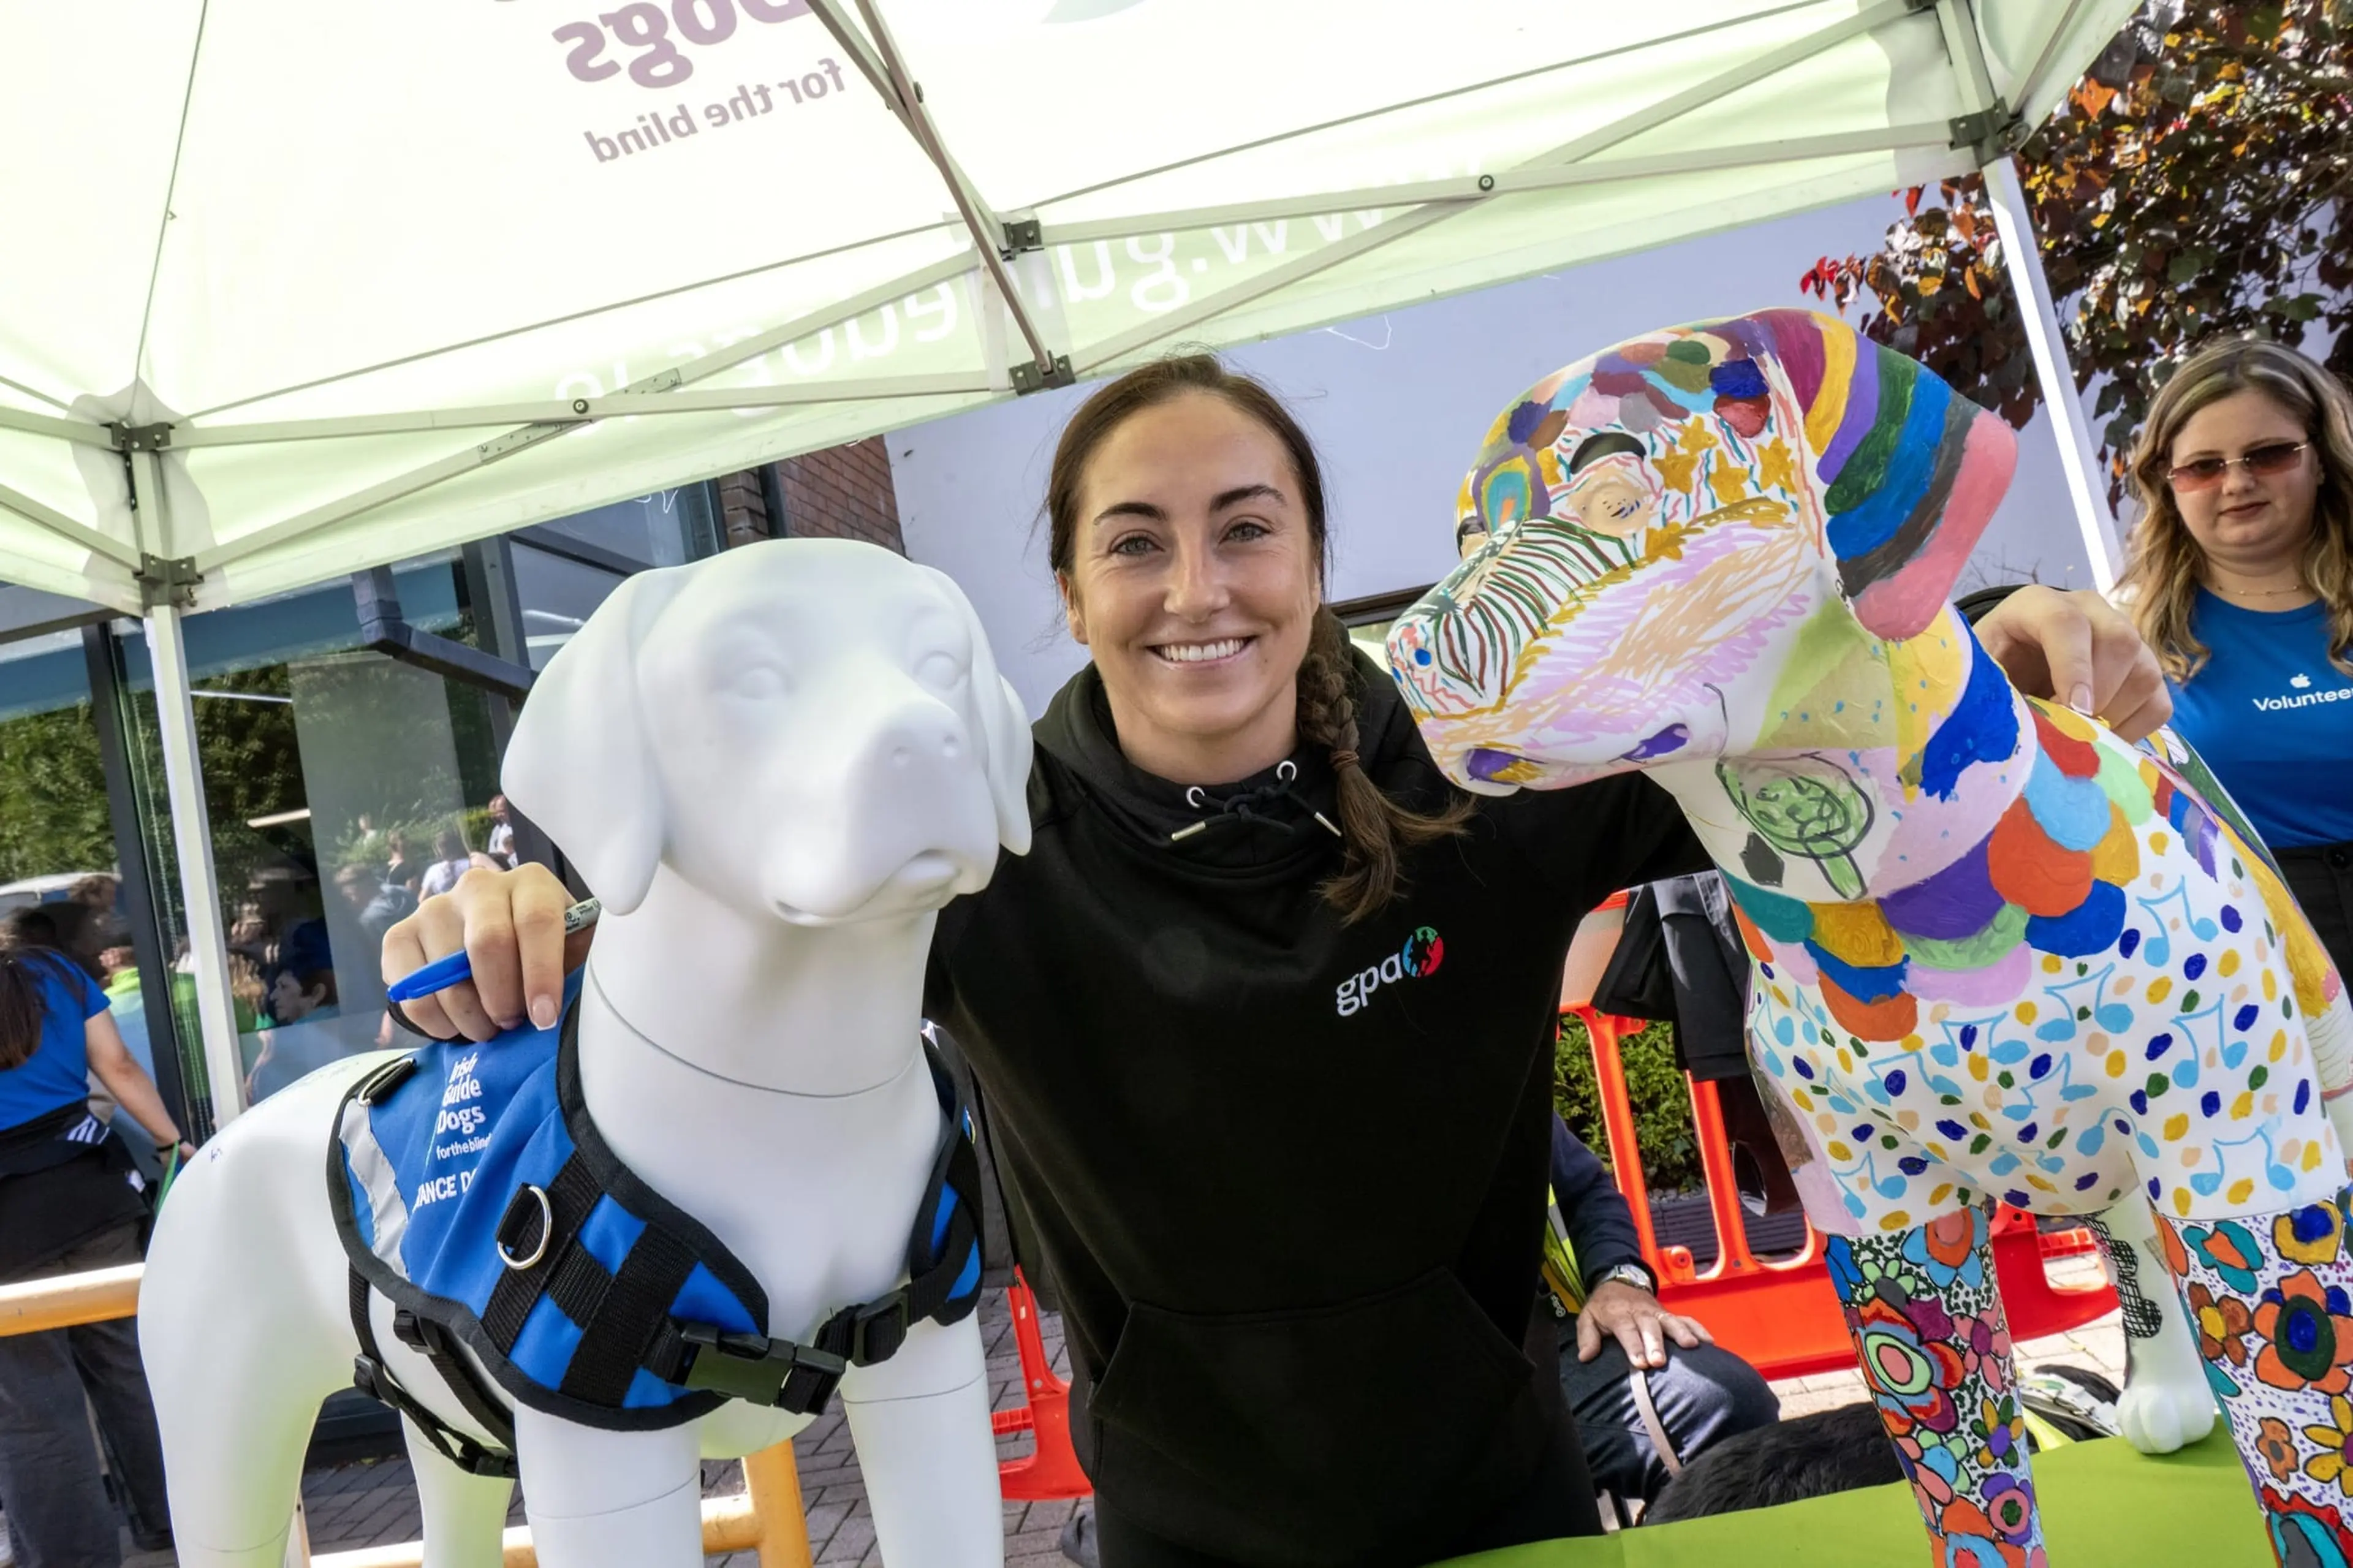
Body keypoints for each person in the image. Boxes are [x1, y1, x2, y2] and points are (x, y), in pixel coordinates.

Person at [385, 356, 2170, 1567]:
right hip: (1183, 1530)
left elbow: (1794, 726)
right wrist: (523, 891)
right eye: (1132, 543)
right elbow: (710, 897)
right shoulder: (981, 837)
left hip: (1506, 1489)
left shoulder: (1484, 761)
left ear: (1312, 561)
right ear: (1069, 596)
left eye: (1246, 527)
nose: (1197, 588)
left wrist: (1992, 639)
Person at [2118, 338, 2353, 972]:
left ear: (2322, 460)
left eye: (2269, 454)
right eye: (2203, 467)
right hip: (2267, 970)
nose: (2238, 482)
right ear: (2168, 485)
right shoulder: (2126, 641)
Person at [0, 913, 183, 1566]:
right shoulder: (54, 973)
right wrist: (169, 1142)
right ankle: (179, 1523)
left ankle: (73, 1558)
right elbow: (120, 1066)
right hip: (94, 1200)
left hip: (7, 1240)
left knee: (33, 1411)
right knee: (133, 1372)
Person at [1540, 1116, 1778, 1513]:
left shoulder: (1483, 1068)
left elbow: (1585, 1191)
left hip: (1539, 1335)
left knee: (1721, 1404)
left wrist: (1619, 1277)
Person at [415, 829, 475, 901]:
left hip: (447, 910)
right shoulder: (470, 864)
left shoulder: (433, 871)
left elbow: (422, 901)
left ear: (438, 851)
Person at [484, 795, 517, 869]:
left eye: (502, 811)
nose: (498, 816)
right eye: (497, 813)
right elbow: (492, 852)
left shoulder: (520, 828)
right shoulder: (497, 830)